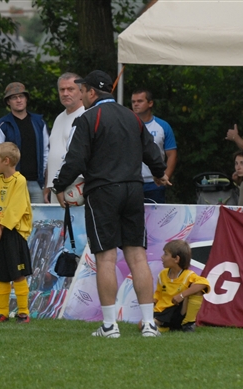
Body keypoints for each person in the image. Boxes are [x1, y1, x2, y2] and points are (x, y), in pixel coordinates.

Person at [53, 70, 170, 338]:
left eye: (82, 90)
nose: (80, 95)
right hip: (133, 190)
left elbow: (75, 159)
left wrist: (60, 185)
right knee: (137, 256)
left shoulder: (87, 118)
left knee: (105, 258)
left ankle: (109, 326)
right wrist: (159, 172)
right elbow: (152, 150)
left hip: (103, 192)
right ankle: (149, 324)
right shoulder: (132, 116)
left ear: (92, 92)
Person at [0, 142, 33, 323]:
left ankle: (23, 312)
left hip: (14, 232)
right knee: (1, 274)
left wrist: (1, 227)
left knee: (17, 273)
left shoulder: (20, 181)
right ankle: (2, 312)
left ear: (6, 161)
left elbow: (15, 208)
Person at [0, 82, 49, 203]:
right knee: (13, 215)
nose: (18, 100)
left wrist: (44, 183)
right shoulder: (2, 125)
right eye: (14, 97)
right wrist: (2, 183)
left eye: (21, 96)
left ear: (26, 99)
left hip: (36, 183)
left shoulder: (39, 123)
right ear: (8, 102)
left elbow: (46, 153)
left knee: (39, 215)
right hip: (11, 184)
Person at [151, 240, 210, 332]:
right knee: (141, 325)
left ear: (176, 259)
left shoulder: (188, 275)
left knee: (197, 290)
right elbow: (158, 293)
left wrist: (182, 295)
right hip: (163, 311)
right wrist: (153, 301)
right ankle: (167, 328)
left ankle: (188, 324)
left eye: (165, 254)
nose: (162, 257)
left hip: (180, 312)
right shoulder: (162, 274)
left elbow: (204, 283)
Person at [131, 88, 177, 203]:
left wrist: (165, 177)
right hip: (132, 182)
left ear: (150, 103)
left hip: (154, 183)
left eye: (140, 101)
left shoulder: (162, 126)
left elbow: (172, 154)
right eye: (133, 101)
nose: (135, 104)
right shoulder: (126, 125)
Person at [45, 72, 85, 204]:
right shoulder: (59, 118)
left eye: (70, 89)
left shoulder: (86, 116)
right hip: (55, 187)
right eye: (62, 90)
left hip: (76, 187)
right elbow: (53, 153)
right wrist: (48, 184)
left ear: (81, 91)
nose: (65, 93)